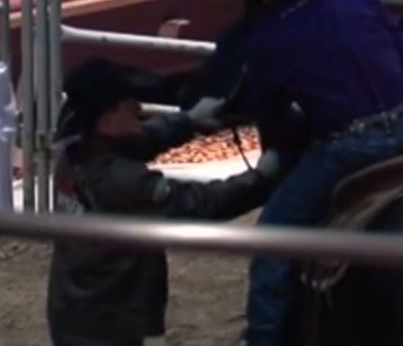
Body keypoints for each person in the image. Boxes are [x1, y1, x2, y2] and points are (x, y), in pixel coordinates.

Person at [222, 0, 403, 345]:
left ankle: (263, 339)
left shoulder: (268, 37)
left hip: (351, 147)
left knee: (273, 236)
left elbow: (269, 110)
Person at [47, 57, 284, 346]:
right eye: (127, 104)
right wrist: (261, 178)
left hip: (77, 311)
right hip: (109, 327)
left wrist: (190, 121)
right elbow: (201, 204)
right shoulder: (124, 183)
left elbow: (144, 139)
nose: (138, 108)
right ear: (106, 120)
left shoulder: (75, 156)